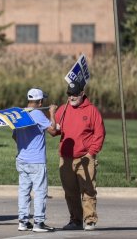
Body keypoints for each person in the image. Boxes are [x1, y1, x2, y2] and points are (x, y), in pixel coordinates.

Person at [54, 82, 105, 231]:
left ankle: (89, 220)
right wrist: (51, 115)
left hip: (85, 157)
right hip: (66, 158)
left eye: (75, 93)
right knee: (70, 191)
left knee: (88, 189)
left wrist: (91, 153)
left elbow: (99, 133)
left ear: (82, 93)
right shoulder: (63, 110)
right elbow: (53, 131)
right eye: (69, 94)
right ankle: (75, 221)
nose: (72, 97)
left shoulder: (92, 111)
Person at [13, 88, 58, 232]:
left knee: (24, 191)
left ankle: (23, 221)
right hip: (36, 161)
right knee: (40, 192)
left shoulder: (20, 113)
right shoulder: (38, 113)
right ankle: (39, 222)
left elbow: (15, 136)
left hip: (22, 159)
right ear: (39, 102)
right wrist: (52, 113)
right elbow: (53, 131)